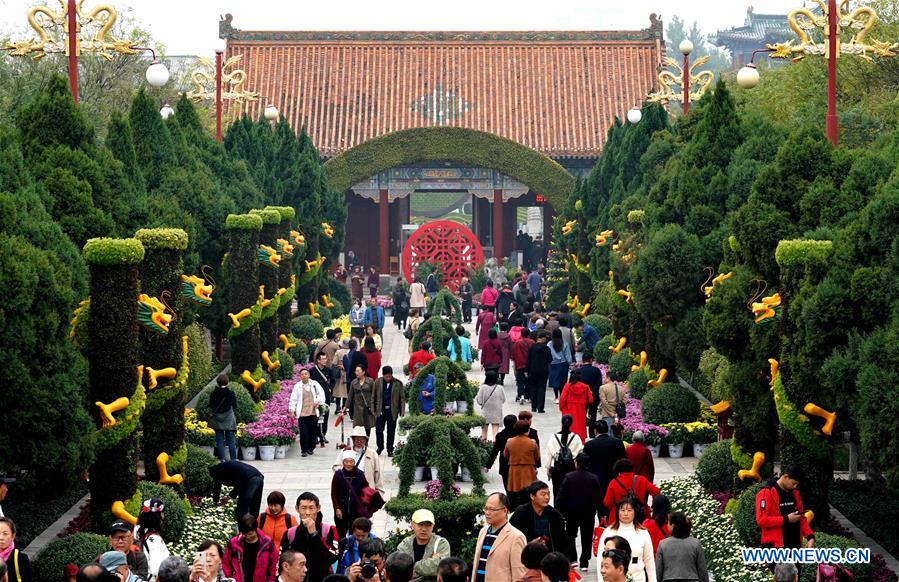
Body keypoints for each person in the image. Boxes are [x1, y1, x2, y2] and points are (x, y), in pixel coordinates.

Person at [556, 453, 601, 572]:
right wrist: (599, 511)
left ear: (577, 463)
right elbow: (598, 497)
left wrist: (559, 511)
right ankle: (584, 562)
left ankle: (573, 559)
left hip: (571, 512)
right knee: (586, 537)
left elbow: (561, 496)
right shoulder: (594, 478)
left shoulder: (569, 477)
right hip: (588, 512)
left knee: (570, 535)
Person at [281, 493, 339, 582]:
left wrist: (314, 534)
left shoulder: (329, 530)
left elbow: (332, 558)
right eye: (303, 508)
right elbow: (282, 561)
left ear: (318, 508)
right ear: (297, 509)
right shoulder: (290, 533)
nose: (307, 513)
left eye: (311, 508)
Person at [755, 465, 815, 551]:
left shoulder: (795, 493)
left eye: (797, 484)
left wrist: (810, 536)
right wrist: (786, 519)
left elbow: (801, 518)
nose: (795, 486)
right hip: (774, 548)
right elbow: (761, 520)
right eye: (794, 483)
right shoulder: (766, 492)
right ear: (786, 477)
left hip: (795, 547)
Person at [471, 493, 527, 582]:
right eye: (485, 508)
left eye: (492, 509)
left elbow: (519, 573)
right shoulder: (483, 531)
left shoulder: (516, 537)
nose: (487, 513)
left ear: (505, 511)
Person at [599, 499, 656, 582]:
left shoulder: (643, 533)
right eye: (622, 510)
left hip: (638, 578)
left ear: (635, 512)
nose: (626, 514)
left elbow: (649, 560)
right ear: (618, 512)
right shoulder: (608, 532)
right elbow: (601, 560)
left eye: (629, 510)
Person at [509, 481, 569, 556]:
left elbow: (562, 540)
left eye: (548, 494)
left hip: (549, 556)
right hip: (526, 554)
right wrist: (529, 543)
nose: (547, 497)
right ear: (532, 496)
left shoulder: (555, 515)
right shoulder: (521, 513)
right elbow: (511, 536)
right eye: (543, 494)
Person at [582, 420, 625, 521]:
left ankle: (602, 521)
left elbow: (585, 464)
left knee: (600, 507)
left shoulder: (590, 445)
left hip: (596, 481)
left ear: (595, 431)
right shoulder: (617, 442)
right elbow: (624, 461)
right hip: (614, 480)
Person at [395, 509, 451, 582]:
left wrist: (413, 567)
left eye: (428, 525)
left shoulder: (441, 543)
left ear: (433, 526)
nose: (424, 529)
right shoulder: (405, 544)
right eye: (420, 524)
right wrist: (430, 562)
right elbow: (399, 570)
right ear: (412, 525)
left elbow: (441, 567)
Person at [654, 511, 707, 582]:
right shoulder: (695, 543)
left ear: (672, 525)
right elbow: (702, 569)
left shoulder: (663, 544)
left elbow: (658, 570)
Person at [223, 514, 278, 582]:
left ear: (255, 529)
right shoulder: (234, 543)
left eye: (250, 534)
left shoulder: (267, 543)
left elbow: (273, 565)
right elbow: (226, 562)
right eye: (245, 533)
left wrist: (271, 580)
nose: (247, 536)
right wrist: (230, 578)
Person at [604, 458, 661, 523]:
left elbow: (607, 503)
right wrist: (652, 507)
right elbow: (656, 492)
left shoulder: (613, 482)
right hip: (640, 516)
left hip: (618, 518)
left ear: (618, 471)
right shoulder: (641, 479)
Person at [332, 427, 384, 495]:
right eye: (357, 439)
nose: (359, 442)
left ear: (365, 440)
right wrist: (346, 471)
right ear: (353, 440)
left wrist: (379, 492)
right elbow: (336, 466)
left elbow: (377, 473)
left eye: (362, 439)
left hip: (367, 490)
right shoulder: (345, 451)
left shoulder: (372, 453)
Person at [289, 368, 327, 457]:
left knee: (312, 432)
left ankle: (311, 448)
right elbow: (293, 399)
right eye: (302, 374)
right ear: (300, 376)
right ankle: (304, 450)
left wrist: (318, 401)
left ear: (309, 375)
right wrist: (292, 410)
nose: (304, 376)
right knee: (303, 433)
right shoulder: (297, 386)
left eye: (306, 374)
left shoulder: (314, 384)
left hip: (313, 413)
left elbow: (321, 394)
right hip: (302, 413)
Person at [503, 421, 540, 510]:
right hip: (528, 471)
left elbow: (506, 455)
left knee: (514, 495)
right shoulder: (532, 442)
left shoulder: (510, 442)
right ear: (527, 430)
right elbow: (537, 456)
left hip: (514, 471)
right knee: (528, 493)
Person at [546, 415, 583, 498]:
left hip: (557, 468)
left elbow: (549, 454)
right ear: (571, 424)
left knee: (557, 491)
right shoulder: (576, 438)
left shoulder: (554, 437)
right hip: (571, 468)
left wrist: (548, 469)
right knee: (571, 492)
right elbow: (580, 453)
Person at [373, 366, 405, 456]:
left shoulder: (398, 383)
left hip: (392, 410)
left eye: (389, 376)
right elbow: (373, 396)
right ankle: (380, 447)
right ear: (383, 375)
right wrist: (373, 409)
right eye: (386, 376)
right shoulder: (378, 382)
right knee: (379, 430)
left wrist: (401, 411)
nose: (388, 378)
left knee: (391, 431)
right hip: (381, 410)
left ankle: (390, 449)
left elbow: (402, 398)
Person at [136, 499, 171, 581]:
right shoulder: (154, 540)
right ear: (157, 517)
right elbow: (157, 569)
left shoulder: (136, 530)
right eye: (162, 513)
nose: (163, 516)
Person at [209, 373, 238, 461]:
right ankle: (233, 459)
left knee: (219, 439)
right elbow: (235, 405)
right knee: (231, 440)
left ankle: (222, 459)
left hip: (217, 418)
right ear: (227, 382)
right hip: (228, 418)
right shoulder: (231, 393)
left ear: (217, 383)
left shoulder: (213, 393)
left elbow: (211, 405)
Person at [486, 415, 518, 490]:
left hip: (504, 463)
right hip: (517, 463)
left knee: (507, 486)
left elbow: (495, 451)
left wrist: (488, 465)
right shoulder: (519, 435)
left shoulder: (500, 435)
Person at [558, 370, 592, 441]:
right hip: (581, 410)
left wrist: (562, 408)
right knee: (580, 429)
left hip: (568, 410)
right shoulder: (586, 387)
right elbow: (590, 400)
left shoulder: (567, 386)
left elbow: (562, 398)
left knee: (568, 428)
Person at [348, 365, 378, 437]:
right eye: (356, 371)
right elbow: (350, 396)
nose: (356, 373)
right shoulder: (354, 382)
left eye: (358, 371)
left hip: (368, 408)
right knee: (358, 428)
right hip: (358, 409)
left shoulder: (370, 381)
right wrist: (345, 408)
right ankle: (359, 443)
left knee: (367, 427)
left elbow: (374, 395)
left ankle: (366, 443)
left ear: (363, 372)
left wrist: (375, 407)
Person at [525, 333, 551, 413]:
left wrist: (526, 370)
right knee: (541, 389)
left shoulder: (532, 348)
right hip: (543, 371)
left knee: (533, 388)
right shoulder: (546, 348)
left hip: (533, 371)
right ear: (542, 338)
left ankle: (533, 407)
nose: (546, 339)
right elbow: (550, 359)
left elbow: (528, 359)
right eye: (545, 338)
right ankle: (540, 408)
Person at [476, 371, 506, 441]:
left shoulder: (483, 388)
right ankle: (494, 446)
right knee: (495, 433)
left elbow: (479, 401)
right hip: (497, 412)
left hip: (485, 412)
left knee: (483, 434)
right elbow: (503, 400)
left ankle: (484, 447)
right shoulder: (500, 388)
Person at [577, 354, 602, 435]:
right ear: (591, 360)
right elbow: (599, 383)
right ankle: (592, 433)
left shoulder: (579, 371)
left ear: (583, 360)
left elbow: (577, 384)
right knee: (593, 414)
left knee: (581, 415)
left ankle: (581, 432)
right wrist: (592, 391)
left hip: (581, 396)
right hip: (594, 396)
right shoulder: (596, 370)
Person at [547, 329, 571, 404]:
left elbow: (548, 354)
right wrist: (570, 363)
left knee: (555, 381)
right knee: (562, 381)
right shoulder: (565, 344)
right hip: (563, 364)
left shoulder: (550, 344)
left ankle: (556, 397)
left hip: (553, 364)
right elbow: (568, 355)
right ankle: (562, 397)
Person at [511, 328, 534, 404]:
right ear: (529, 334)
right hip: (530, 365)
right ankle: (529, 396)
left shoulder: (517, 343)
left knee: (520, 381)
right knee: (529, 381)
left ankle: (521, 395)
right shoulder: (532, 342)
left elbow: (513, 355)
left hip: (520, 365)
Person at [334, 339, 351, 413]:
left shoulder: (338, 352)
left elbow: (334, 362)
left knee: (338, 390)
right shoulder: (350, 352)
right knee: (345, 391)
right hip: (348, 373)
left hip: (339, 373)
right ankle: (344, 407)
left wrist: (339, 365)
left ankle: (337, 407)